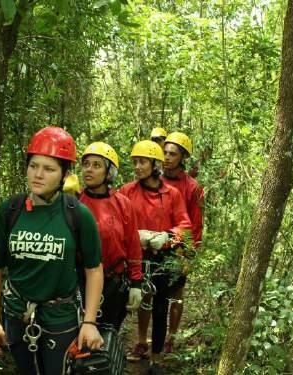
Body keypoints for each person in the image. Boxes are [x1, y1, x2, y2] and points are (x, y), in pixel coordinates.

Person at [0, 126, 104, 375]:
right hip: (17, 315)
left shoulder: (77, 214)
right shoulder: (9, 211)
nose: (38, 174)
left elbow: (94, 269)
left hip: (61, 317)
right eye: (33, 166)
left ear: (64, 174)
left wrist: (90, 321)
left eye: (49, 169)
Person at [120, 140, 191, 374]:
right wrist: (133, 235)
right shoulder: (127, 191)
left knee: (160, 305)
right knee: (137, 301)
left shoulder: (171, 194)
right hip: (134, 258)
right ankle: (136, 342)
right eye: (135, 162)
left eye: (142, 162)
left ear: (155, 164)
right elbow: (116, 219)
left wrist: (168, 237)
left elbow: (184, 225)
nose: (138, 167)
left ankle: (157, 357)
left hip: (162, 257)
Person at [79, 142, 143, 331]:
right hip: (79, 283)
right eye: (86, 164)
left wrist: (136, 283)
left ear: (109, 173)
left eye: (97, 165)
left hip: (113, 283)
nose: (89, 170)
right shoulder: (73, 202)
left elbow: (133, 245)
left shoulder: (123, 204)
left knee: (107, 334)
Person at [162, 131, 204, 353]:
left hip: (179, 247)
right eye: (165, 152)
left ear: (183, 157)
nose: (167, 157)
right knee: (149, 294)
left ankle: (172, 336)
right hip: (155, 243)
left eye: (173, 154)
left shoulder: (192, 187)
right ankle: (143, 340)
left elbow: (195, 224)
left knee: (176, 296)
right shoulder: (154, 180)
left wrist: (188, 254)